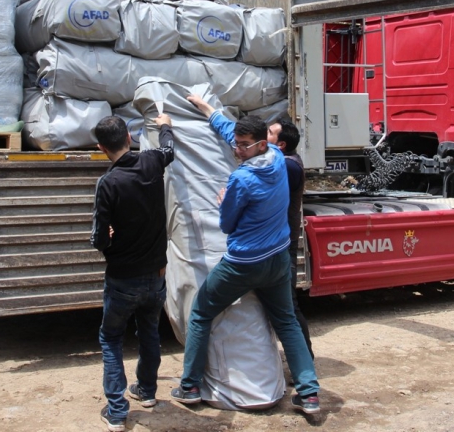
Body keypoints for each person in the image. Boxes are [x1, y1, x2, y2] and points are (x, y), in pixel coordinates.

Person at [170, 97, 321, 417]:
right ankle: (308, 393)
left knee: (200, 312)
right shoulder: (279, 156)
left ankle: (190, 385)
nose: (237, 150)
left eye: (242, 145)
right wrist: (210, 111)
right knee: (286, 322)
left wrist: (224, 199)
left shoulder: (241, 179)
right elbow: (232, 134)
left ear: (258, 144)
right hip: (279, 260)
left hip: (243, 264)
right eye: (236, 144)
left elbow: (226, 224)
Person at [90, 114, 175, 432]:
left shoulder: (108, 183)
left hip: (123, 278)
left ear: (101, 148)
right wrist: (165, 124)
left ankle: (116, 411)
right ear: (129, 136)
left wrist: (108, 240)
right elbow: (169, 148)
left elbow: (98, 238)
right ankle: (147, 392)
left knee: (111, 338)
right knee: (150, 333)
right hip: (156, 274)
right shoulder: (152, 161)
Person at [268, 118, 312, 358]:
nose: (264, 135)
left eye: (269, 133)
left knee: (288, 307)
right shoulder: (284, 160)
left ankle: (305, 360)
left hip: (284, 244)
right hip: (277, 242)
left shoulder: (289, 166)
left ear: (281, 144)